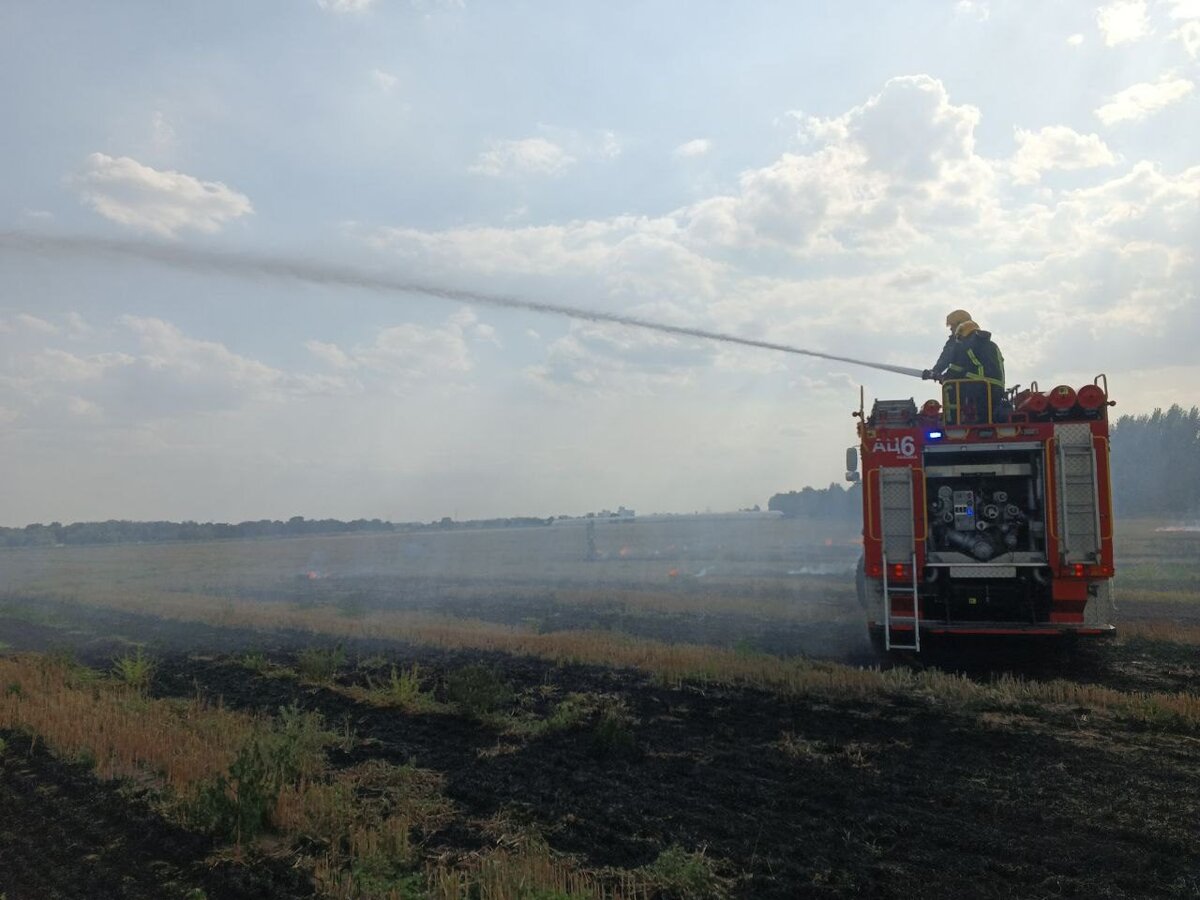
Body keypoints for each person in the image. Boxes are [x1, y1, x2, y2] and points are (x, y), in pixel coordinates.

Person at [942, 320, 1006, 423]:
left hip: (980, 387)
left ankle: (952, 421)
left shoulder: (967, 345)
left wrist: (945, 377)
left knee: (950, 387)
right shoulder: (992, 345)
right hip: (997, 388)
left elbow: (956, 368)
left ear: (963, 334)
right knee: (986, 417)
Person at [923, 309, 972, 381]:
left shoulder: (956, 342)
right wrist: (936, 371)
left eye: (953, 326)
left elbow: (946, 359)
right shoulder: (980, 339)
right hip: (983, 384)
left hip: (965, 384)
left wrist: (936, 372)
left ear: (960, 325)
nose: (951, 329)